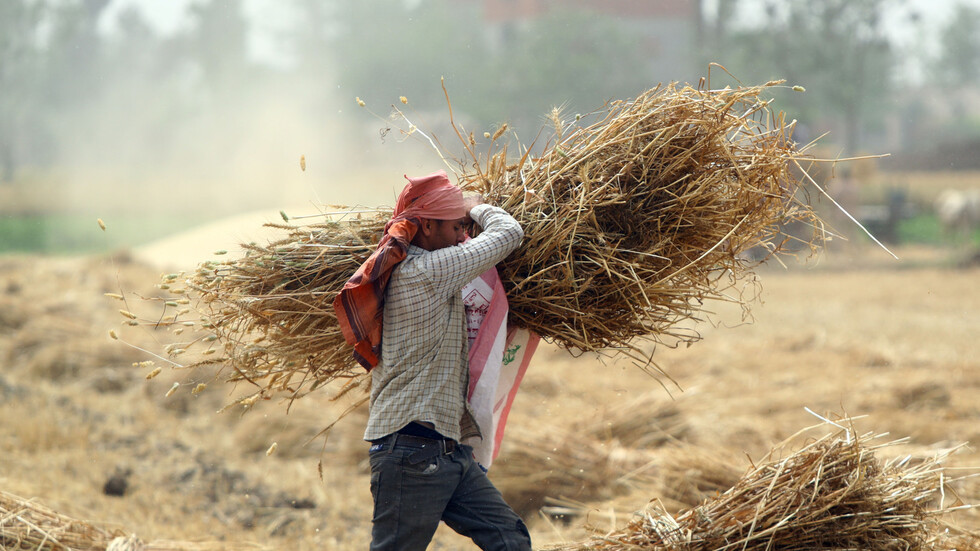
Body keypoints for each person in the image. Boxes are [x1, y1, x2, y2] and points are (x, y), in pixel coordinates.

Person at [334, 169, 531, 550]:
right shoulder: (425, 271)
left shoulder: (425, 268)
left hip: (446, 450)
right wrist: (478, 208)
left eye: (465, 225)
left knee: (509, 539)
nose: (464, 235)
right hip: (411, 451)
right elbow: (509, 233)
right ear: (425, 226)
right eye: (457, 226)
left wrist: (461, 213)